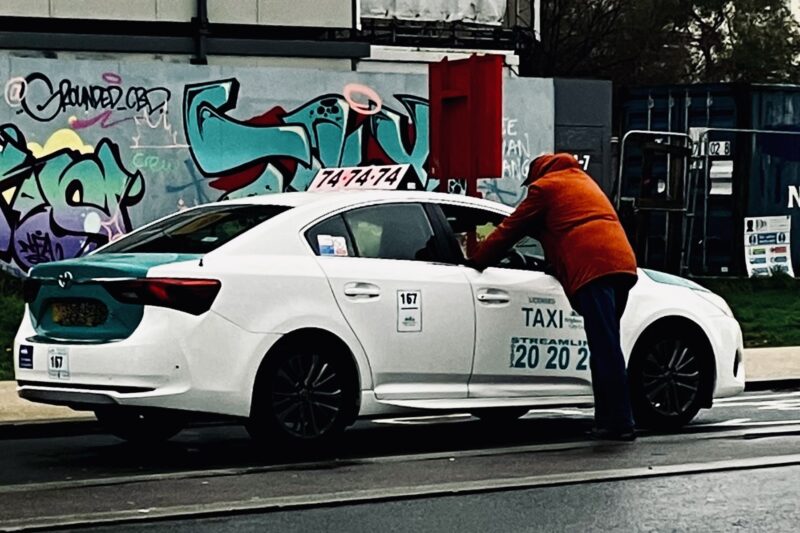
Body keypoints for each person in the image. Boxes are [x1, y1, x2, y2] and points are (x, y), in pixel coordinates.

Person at [469, 153, 639, 441]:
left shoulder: (545, 188)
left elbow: (510, 230)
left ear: (537, 173)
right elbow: (566, 228)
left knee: (605, 350)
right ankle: (612, 419)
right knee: (608, 346)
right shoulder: (582, 182)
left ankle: (619, 422)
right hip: (622, 265)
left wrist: (476, 261)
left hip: (593, 269)